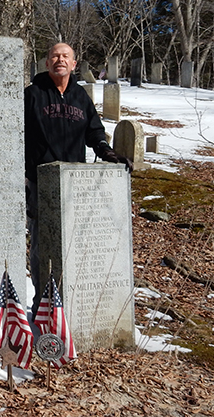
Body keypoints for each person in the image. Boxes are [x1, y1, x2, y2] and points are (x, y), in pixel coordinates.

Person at [24, 42, 132, 319]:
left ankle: (69, 301)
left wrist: (106, 151)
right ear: (47, 63)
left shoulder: (80, 98)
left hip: (74, 181)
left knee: (72, 241)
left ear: (74, 64)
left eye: (66, 56)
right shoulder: (32, 95)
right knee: (42, 244)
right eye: (54, 56)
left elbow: (94, 131)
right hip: (39, 181)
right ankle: (42, 305)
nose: (60, 60)